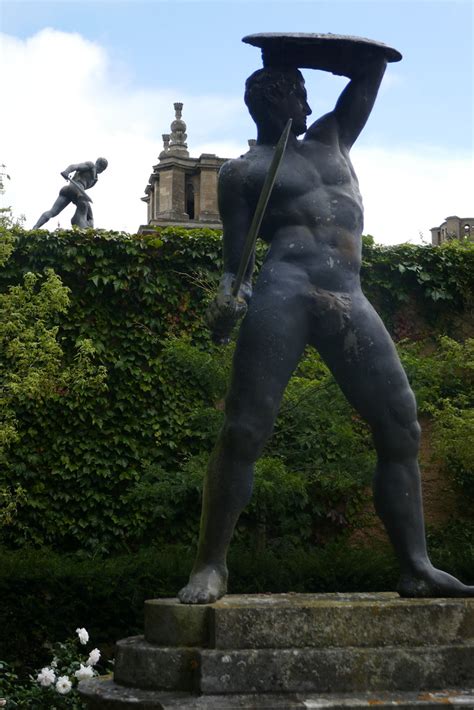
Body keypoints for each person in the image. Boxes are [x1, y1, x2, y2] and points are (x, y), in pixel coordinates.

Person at [178, 50, 474, 604]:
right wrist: (228, 299)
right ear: (274, 100)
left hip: (348, 296)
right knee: (244, 430)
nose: (311, 102)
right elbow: (235, 264)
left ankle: (415, 566)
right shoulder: (243, 173)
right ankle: (210, 566)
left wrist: (293, 51)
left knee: (402, 426)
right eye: (299, 92)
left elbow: (371, 69)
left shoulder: (336, 139)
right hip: (283, 293)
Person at [33, 157, 108, 229]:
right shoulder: (90, 165)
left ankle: (36, 227)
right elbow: (76, 166)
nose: (100, 169)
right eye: (100, 165)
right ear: (96, 163)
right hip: (76, 188)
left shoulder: (95, 179)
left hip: (70, 190)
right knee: (85, 208)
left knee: (53, 212)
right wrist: (67, 171)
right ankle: (81, 228)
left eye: (103, 168)